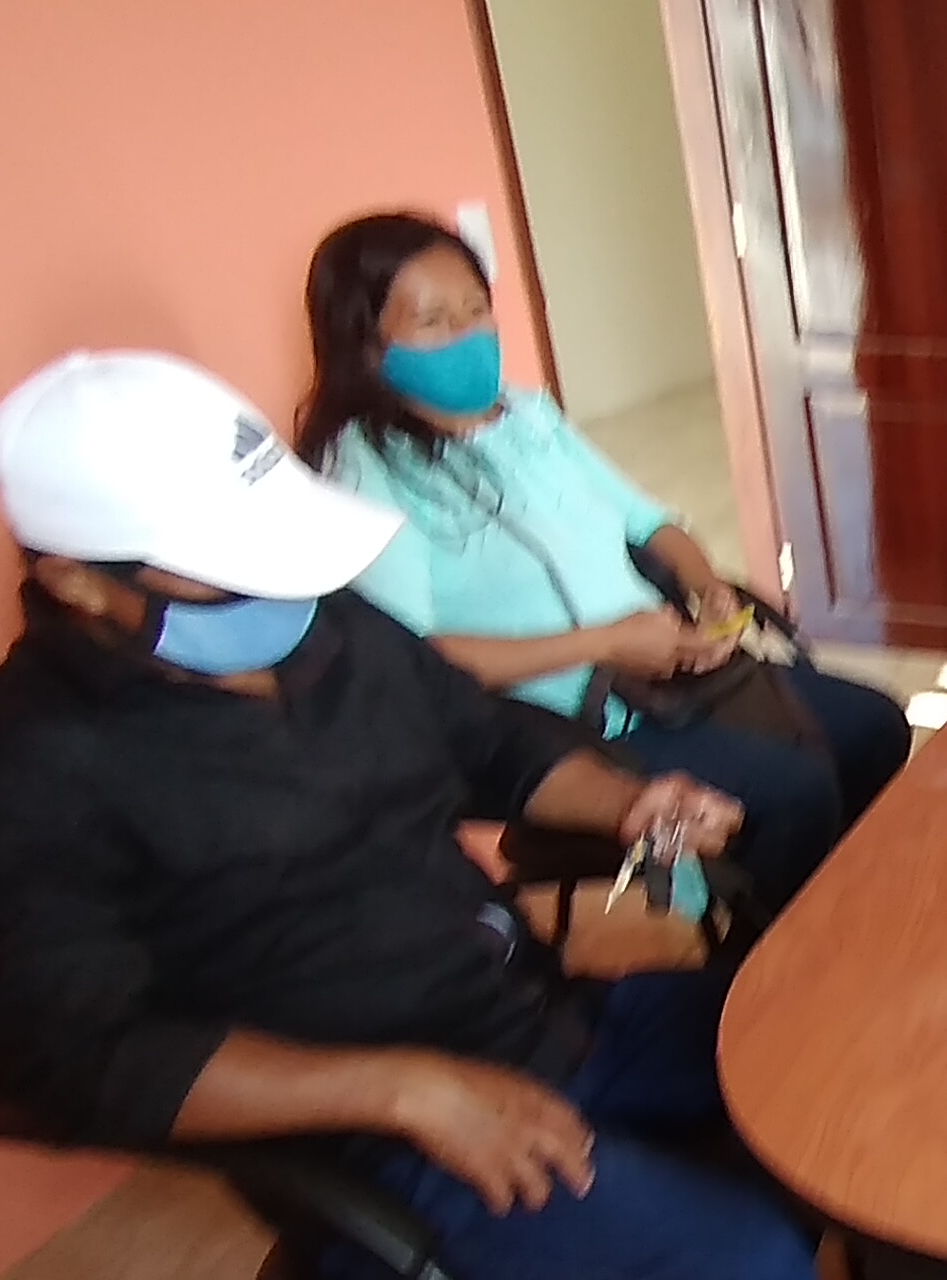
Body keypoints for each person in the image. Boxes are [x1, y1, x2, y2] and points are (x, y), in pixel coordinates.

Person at [0, 351, 880, 1280]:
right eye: (232, 574)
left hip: (532, 1014)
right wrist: (404, 1090)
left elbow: (487, 736)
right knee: (746, 1259)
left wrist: (629, 802)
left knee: (827, 1045)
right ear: (82, 584)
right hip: (381, 1149)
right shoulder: (17, 780)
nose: (279, 595)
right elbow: (71, 1057)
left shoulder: (322, 632)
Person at [294, 211, 911, 906]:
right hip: (574, 724)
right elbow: (415, 659)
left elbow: (649, 522)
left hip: (673, 677)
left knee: (876, 727)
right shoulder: (365, 472)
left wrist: (707, 590)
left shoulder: (528, 418)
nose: (469, 334)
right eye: (435, 321)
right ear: (366, 346)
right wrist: (606, 644)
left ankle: (847, 901)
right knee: (794, 795)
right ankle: (767, 945)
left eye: (476, 309)